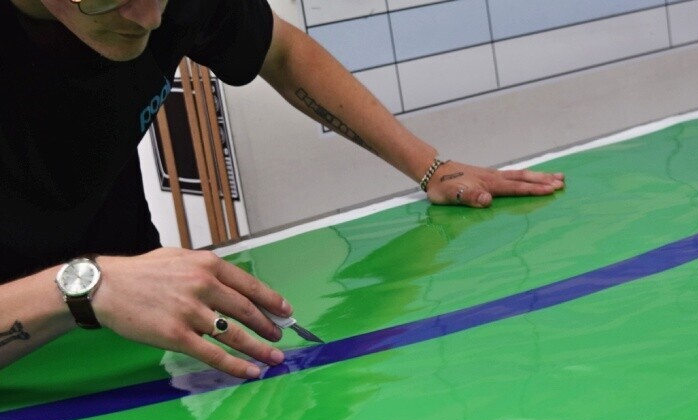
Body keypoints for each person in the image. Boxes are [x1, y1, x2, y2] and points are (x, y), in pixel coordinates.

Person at [0, 0, 565, 379]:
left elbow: (282, 51)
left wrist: (431, 168)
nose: (148, 17)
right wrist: (82, 289)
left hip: (126, 328)